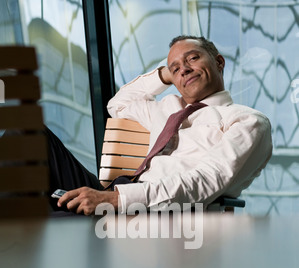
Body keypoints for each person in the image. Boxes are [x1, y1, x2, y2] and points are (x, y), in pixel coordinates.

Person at [49, 35, 272, 215]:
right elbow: (117, 104)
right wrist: (166, 74)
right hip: (116, 193)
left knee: (42, 223)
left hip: (160, 211)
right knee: (38, 138)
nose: (183, 69)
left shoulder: (247, 120)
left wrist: (117, 199)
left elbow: (207, 180)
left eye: (193, 58)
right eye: (175, 68)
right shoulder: (168, 108)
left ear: (219, 62)